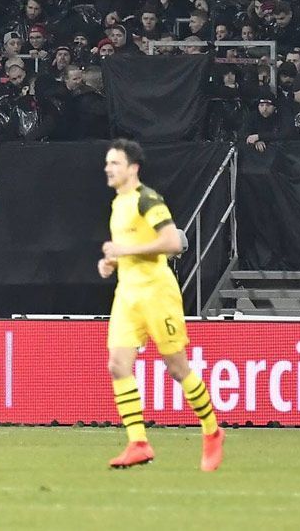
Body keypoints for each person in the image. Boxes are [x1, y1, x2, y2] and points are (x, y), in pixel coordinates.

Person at [99, 139, 225, 471]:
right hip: (128, 294)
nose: (108, 168)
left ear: (133, 168)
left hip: (157, 292)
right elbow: (131, 247)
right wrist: (112, 263)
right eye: (107, 163)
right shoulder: (118, 204)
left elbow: (172, 243)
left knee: (177, 368)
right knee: (117, 365)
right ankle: (138, 442)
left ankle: (212, 431)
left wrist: (123, 252)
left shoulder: (147, 199)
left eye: (115, 163)